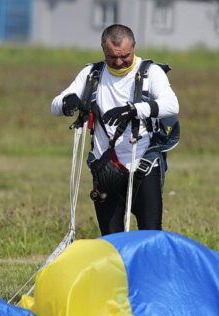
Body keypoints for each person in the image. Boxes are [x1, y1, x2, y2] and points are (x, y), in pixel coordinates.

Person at [51, 24, 179, 235]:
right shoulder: (91, 73)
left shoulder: (151, 72)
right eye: (112, 57)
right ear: (103, 50)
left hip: (143, 165)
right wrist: (69, 102)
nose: (119, 62)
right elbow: (55, 105)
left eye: (125, 56)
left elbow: (172, 105)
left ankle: (150, 269)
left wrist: (134, 109)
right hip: (105, 167)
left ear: (134, 47)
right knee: (111, 238)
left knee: (151, 234)